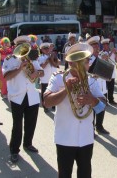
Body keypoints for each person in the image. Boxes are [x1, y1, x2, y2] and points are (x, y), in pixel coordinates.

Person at [43, 43, 106, 178]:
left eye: (87, 60)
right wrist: (66, 89)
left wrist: (93, 100)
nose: (87, 63)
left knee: (85, 174)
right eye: (83, 60)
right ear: (71, 62)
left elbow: (102, 107)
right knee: (64, 174)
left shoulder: (92, 80)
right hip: (65, 137)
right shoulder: (58, 77)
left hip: (86, 137)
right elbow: (47, 102)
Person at [2, 35, 44, 163]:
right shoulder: (10, 59)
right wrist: (20, 68)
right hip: (17, 97)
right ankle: (14, 150)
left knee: (31, 123)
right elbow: (7, 76)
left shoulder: (32, 58)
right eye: (21, 45)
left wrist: (36, 73)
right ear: (15, 46)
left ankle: (28, 143)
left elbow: (41, 72)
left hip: (32, 96)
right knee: (17, 125)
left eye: (25, 45)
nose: (23, 48)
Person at [87, 36, 110, 134]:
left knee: (102, 107)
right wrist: (100, 60)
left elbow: (107, 71)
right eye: (94, 46)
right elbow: (88, 71)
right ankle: (90, 129)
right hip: (93, 87)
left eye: (97, 46)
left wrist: (106, 61)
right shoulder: (88, 59)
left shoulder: (101, 56)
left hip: (102, 87)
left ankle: (99, 126)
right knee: (92, 110)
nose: (97, 48)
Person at [38, 42, 59, 112]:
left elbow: (57, 64)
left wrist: (53, 59)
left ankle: (53, 105)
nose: (47, 50)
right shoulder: (40, 57)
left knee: (54, 91)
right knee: (45, 93)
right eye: (45, 49)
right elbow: (40, 67)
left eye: (47, 48)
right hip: (45, 78)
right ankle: (45, 106)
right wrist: (47, 61)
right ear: (41, 50)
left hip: (53, 76)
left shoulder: (53, 55)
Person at [100, 37, 117, 105]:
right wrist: (112, 53)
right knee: (105, 88)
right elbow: (105, 58)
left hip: (112, 72)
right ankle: (105, 101)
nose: (107, 46)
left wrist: (116, 54)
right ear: (103, 46)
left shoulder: (112, 52)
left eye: (107, 45)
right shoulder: (101, 53)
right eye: (105, 45)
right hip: (105, 73)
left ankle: (111, 100)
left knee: (111, 88)